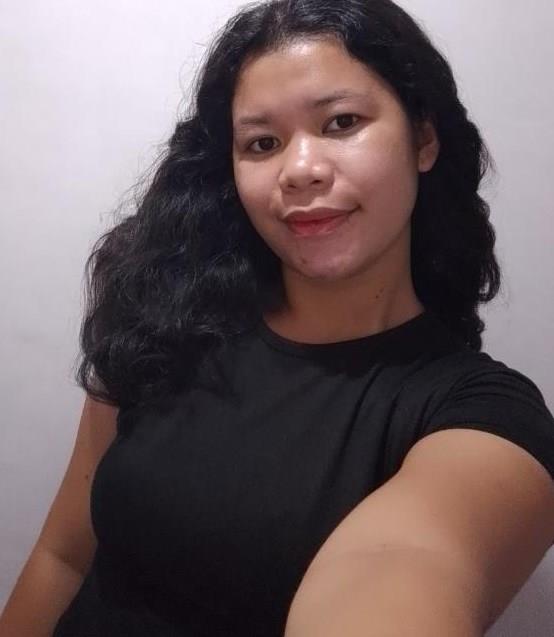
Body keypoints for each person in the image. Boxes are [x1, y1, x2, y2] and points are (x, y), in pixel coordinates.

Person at [1, 0, 553, 635]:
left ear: (423, 139)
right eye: (263, 143)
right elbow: (63, 556)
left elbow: (410, 565)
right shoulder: (161, 320)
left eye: (342, 122)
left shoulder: (483, 416)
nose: (300, 171)